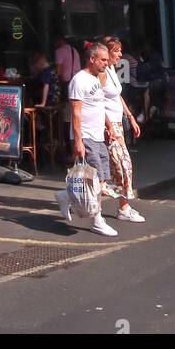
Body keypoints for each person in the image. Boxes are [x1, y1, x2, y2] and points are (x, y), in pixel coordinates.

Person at [62, 41, 118, 237]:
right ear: (92, 59)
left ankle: (65, 197)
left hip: (98, 136)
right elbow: (76, 113)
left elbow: (99, 106)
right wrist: (78, 141)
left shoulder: (96, 79)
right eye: (103, 60)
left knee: (100, 179)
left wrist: (109, 126)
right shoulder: (79, 81)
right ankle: (97, 220)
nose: (106, 63)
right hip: (86, 136)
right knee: (97, 181)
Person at [101, 37, 144, 222]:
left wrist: (130, 117)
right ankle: (124, 208)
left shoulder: (111, 70)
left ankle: (69, 196)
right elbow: (98, 102)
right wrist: (108, 126)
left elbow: (117, 96)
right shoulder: (100, 74)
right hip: (109, 127)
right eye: (116, 51)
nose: (120, 55)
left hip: (118, 124)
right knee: (122, 165)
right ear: (107, 53)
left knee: (105, 169)